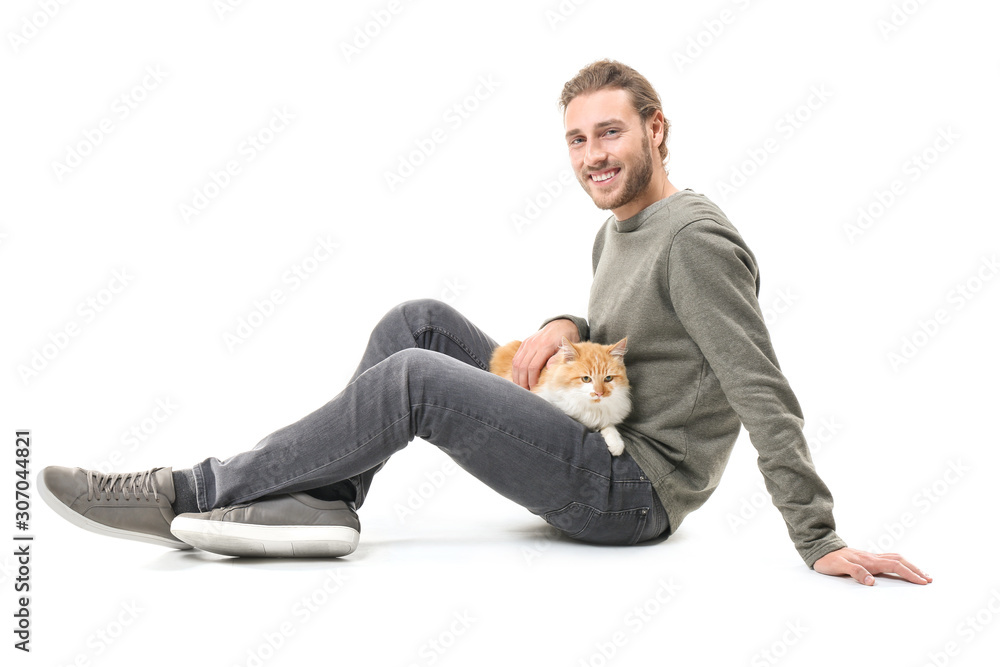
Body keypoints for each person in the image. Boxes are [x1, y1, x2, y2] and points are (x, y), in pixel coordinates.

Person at [39, 60, 930, 586]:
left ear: (658, 130)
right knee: (416, 324)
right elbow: (624, 325)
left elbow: (757, 382)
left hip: (630, 494)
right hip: (591, 439)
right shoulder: (622, 229)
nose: (594, 158)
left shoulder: (694, 240)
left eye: (611, 134)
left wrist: (819, 537)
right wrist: (559, 317)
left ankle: (187, 490)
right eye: (578, 141)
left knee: (412, 382)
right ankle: (327, 504)